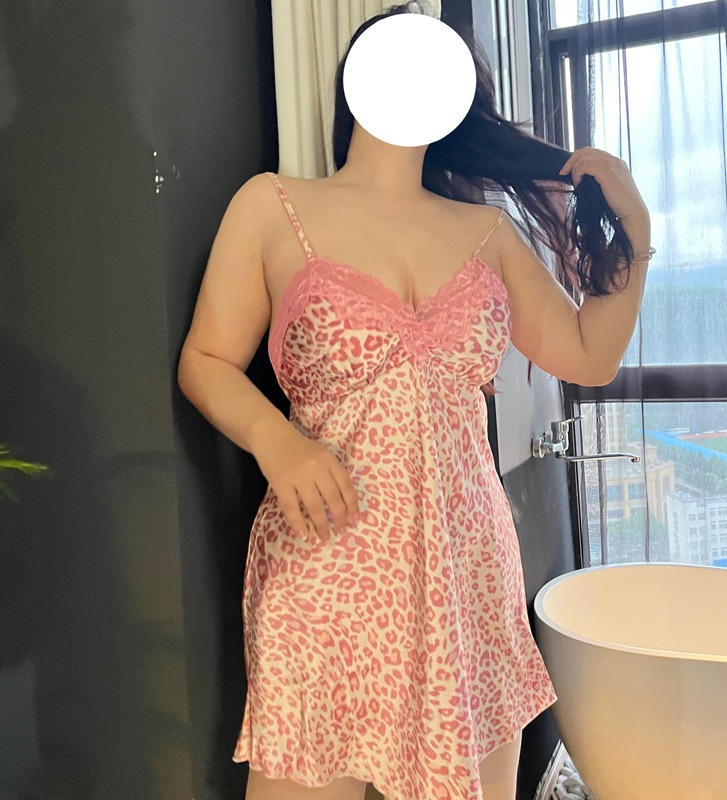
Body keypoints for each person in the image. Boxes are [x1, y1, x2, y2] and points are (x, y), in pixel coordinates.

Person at [177, 4, 652, 800]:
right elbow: (206, 360)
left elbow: (588, 354)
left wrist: (635, 228)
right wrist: (275, 439)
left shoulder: (487, 232)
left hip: (468, 572)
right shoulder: (272, 205)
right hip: (328, 562)